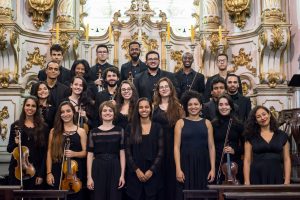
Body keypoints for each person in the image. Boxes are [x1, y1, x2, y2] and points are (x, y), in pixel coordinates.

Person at [174, 91, 215, 200]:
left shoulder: (207, 123)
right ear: (186, 107)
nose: (193, 107)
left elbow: (211, 147)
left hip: (203, 163)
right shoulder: (180, 123)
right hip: (185, 164)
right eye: (190, 105)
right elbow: (176, 147)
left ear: (201, 106)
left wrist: (213, 168)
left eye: (196, 104)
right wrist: (178, 169)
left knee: (203, 194)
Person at [46, 101, 87, 199]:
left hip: (75, 172)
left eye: (68, 111)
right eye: (62, 112)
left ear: (73, 112)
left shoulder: (81, 131)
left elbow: (86, 153)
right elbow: (49, 152)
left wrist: (74, 154)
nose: (65, 114)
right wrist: (49, 173)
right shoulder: (53, 131)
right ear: (59, 115)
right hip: (57, 170)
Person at [152, 77, 184, 200]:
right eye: (161, 87)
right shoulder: (153, 107)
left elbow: (182, 128)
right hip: (157, 148)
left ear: (171, 89)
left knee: (172, 181)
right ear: (158, 90)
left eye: (166, 86)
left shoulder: (178, 107)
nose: (164, 89)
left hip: (173, 148)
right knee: (158, 181)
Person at [125, 98, 164, 200]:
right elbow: (127, 152)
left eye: (146, 107)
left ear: (151, 109)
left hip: (153, 176)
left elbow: (160, 151)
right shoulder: (130, 127)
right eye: (141, 107)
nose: (144, 109)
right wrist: (136, 170)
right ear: (137, 109)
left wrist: (151, 170)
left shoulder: (158, 127)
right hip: (134, 176)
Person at [7, 96, 48, 189]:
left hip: (35, 169)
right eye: (28, 105)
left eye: (33, 106)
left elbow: (45, 153)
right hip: (17, 170)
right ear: (24, 107)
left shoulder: (44, 127)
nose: (30, 108)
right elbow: (9, 149)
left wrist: (41, 174)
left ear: (37, 109)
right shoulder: (16, 126)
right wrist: (15, 143)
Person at [87, 101, 125, 200]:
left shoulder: (120, 130)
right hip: (98, 168)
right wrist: (89, 177)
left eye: (110, 110)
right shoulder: (93, 132)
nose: (107, 113)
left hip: (115, 167)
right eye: (104, 110)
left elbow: (122, 154)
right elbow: (90, 155)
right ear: (100, 114)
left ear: (114, 114)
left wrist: (122, 175)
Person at [243, 106, 291, 185]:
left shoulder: (282, 135)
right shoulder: (250, 136)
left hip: (277, 174)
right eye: (258, 117)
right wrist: (247, 182)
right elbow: (247, 160)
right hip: (256, 175)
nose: (262, 118)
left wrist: (287, 180)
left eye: (264, 114)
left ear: (269, 114)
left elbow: (287, 159)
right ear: (255, 121)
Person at [211, 94, 244, 184]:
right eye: (221, 105)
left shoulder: (238, 124)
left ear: (231, 107)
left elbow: (247, 147)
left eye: (226, 104)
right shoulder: (212, 124)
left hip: (234, 165)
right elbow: (209, 146)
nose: (224, 107)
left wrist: (235, 150)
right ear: (217, 107)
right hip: (217, 163)